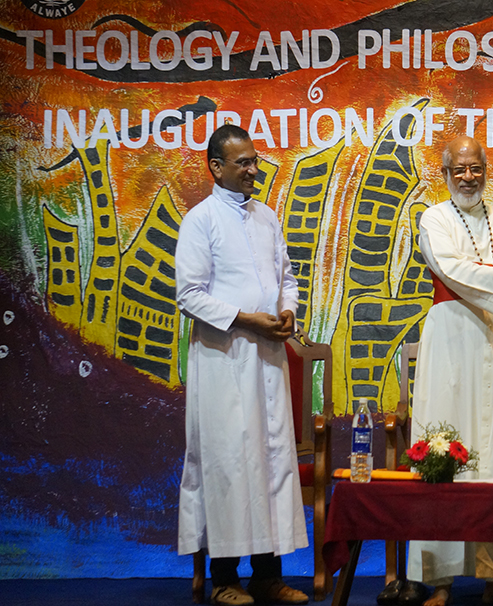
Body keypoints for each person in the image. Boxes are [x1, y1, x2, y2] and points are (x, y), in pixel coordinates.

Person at [398, 135, 493, 606]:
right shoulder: (434, 218)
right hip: (450, 343)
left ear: (486, 170)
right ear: (445, 173)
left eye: (475, 168)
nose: (468, 177)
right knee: (443, 448)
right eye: (459, 169)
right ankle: (439, 580)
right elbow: (451, 268)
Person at [176, 124, 309, 606]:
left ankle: (268, 576)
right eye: (243, 162)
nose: (254, 169)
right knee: (230, 464)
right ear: (216, 167)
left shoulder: (266, 217)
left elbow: (287, 278)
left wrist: (287, 310)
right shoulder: (201, 220)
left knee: (272, 461)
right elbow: (189, 295)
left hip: (268, 357)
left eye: (254, 160)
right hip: (225, 358)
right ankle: (225, 580)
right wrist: (245, 319)